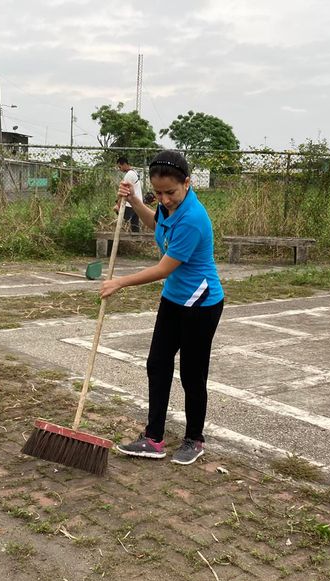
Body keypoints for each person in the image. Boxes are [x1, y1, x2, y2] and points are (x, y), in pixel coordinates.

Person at [101, 150, 224, 466]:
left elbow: (164, 268)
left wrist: (120, 282)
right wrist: (134, 200)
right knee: (157, 364)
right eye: (158, 193)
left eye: (170, 192)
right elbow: (155, 222)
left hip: (200, 302)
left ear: (187, 183)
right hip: (174, 297)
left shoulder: (193, 219)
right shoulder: (168, 208)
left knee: (192, 374)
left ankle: (194, 439)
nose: (165, 199)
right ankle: (153, 438)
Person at [115, 156, 143, 233]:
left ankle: (124, 237)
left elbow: (123, 191)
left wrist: (117, 205)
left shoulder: (129, 175)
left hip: (130, 204)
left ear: (124, 164)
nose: (120, 169)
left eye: (120, 167)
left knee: (124, 220)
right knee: (134, 225)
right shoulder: (134, 172)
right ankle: (136, 238)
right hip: (137, 202)